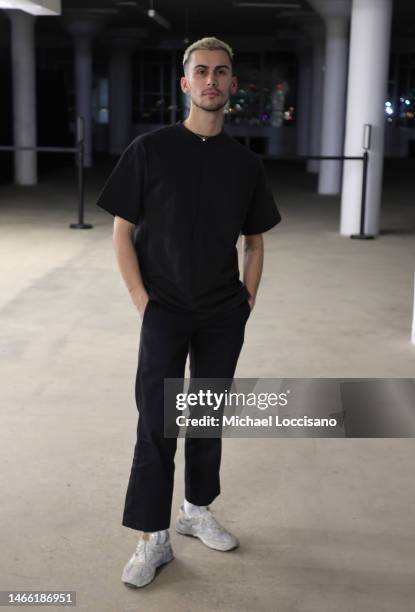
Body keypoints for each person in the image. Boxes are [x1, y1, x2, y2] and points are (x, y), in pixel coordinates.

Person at [96, 36, 282, 588]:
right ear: (186, 84)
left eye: (221, 72)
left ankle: (196, 509)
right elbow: (121, 229)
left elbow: (255, 240)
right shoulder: (150, 150)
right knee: (156, 421)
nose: (211, 81)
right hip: (165, 308)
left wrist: (247, 299)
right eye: (201, 71)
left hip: (223, 310)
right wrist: (140, 299)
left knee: (204, 417)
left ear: (231, 85)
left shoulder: (244, 163)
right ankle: (153, 537)